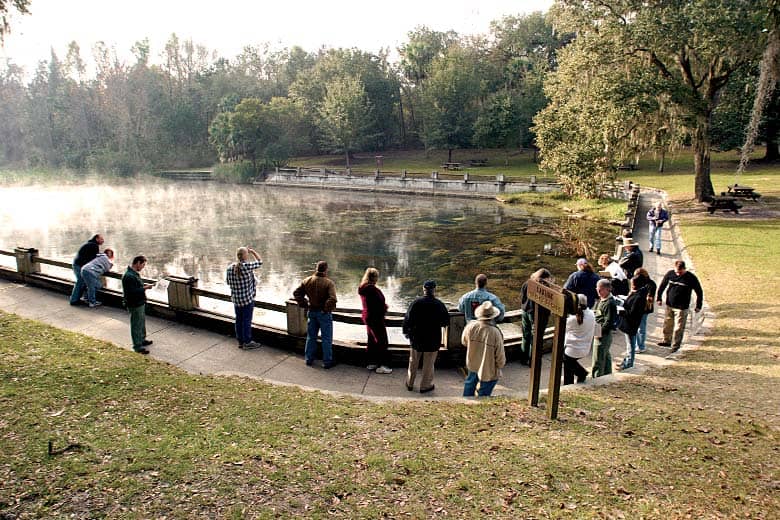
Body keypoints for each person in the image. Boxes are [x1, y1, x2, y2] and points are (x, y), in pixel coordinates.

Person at [403, 280, 449, 393]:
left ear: (424, 289)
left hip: (416, 338)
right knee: (428, 364)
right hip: (432, 339)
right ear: (434, 290)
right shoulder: (439, 304)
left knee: (413, 361)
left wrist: (407, 333)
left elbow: (407, 320)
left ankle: (410, 383)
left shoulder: (415, 303)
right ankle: (425, 385)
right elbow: (445, 322)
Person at [293, 261, 338, 368]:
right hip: (323, 314)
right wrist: (325, 309)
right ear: (326, 270)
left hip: (312, 312)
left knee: (311, 337)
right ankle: (327, 361)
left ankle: (309, 359)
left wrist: (305, 304)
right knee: (326, 338)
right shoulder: (328, 283)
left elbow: (296, 293)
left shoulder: (307, 280)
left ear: (316, 268)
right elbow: (332, 299)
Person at [656, 260, 704, 352]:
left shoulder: (691, 278)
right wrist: (659, 297)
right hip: (669, 304)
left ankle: (675, 346)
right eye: (677, 272)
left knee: (679, 327)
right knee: (667, 324)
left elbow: (699, 291)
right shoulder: (670, 274)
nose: (678, 274)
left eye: (680, 272)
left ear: (684, 269)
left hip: (682, 307)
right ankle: (666, 340)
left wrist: (699, 305)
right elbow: (662, 285)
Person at [461, 301, 506, 397]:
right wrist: (500, 365)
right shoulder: (495, 332)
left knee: (470, 382)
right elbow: (500, 354)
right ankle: (481, 400)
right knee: (488, 383)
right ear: (493, 316)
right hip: (488, 365)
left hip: (472, 361)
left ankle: (466, 400)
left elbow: (464, 342)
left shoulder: (471, 326)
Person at [225, 246, 263, 350]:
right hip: (247, 300)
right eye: (247, 253)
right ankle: (247, 342)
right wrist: (253, 251)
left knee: (238, 320)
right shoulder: (247, 266)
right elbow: (260, 262)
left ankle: (240, 341)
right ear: (245, 255)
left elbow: (228, 282)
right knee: (246, 321)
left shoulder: (229, 268)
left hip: (236, 300)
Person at [358, 267, 391, 374]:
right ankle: (382, 365)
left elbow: (369, 304)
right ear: (374, 278)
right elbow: (379, 305)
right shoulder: (373, 290)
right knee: (382, 341)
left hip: (367, 317)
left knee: (372, 340)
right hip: (375, 318)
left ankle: (372, 363)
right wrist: (385, 307)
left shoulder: (363, 288)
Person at [122, 255, 154, 354]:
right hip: (134, 303)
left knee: (141, 322)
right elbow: (132, 291)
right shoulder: (129, 276)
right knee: (136, 324)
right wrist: (145, 288)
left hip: (140, 302)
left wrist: (144, 286)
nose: (143, 267)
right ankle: (137, 346)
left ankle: (142, 339)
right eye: (143, 265)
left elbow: (136, 286)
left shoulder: (134, 274)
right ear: (138, 263)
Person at [520, 268, 552, 366]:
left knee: (526, 335)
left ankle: (524, 358)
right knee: (536, 338)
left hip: (525, 311)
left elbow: (522, 298)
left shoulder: (527, 283)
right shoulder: (544, 288)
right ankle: (533, 361)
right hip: (537, 315)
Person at [616, 277, 648, 370]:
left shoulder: (638, 297)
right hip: (629, 322)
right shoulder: (637, 294)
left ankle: (629, 363)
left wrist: (620, 311)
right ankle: (626, 361)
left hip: (631, 323)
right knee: (629, 344)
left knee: (631, 345)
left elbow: (632, 312)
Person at [563, 294, 595, 384]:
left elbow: (563, 329)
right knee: (569, 361)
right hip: (585, 348)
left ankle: (568, 385)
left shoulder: (572, 320)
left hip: (572, 350)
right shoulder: (591, 314)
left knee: (567, 364)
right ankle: (581, 372)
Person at [591, 278, 618, 378]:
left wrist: (598, 333)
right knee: (605, 356)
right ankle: (607, 376)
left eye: (600, 290)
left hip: (602, 334)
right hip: (600, 331)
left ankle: (596, 379)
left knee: (598, 359)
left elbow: (609, 322)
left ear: (607, 289)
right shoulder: (603, 300)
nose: (598, 292)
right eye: (597, 289)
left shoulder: (609, 303)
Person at [69, 234, 104, 305]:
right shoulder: (94, 246)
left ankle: (83, 298)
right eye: (101, 239)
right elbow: (93, 259)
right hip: (79, 266)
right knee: (80, 282)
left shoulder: (90, 244)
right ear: (97, 239)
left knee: (83, 282)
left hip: (78, 264)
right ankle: (74, 300)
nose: (103, 241)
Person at [633, 268, 657, 353]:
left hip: (644, 308)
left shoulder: (650, 284)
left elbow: (650, 298)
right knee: (637, 327)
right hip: (639, 307)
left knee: (641, 328)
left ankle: (640, 346)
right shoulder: (647, 283)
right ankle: (637, 345)